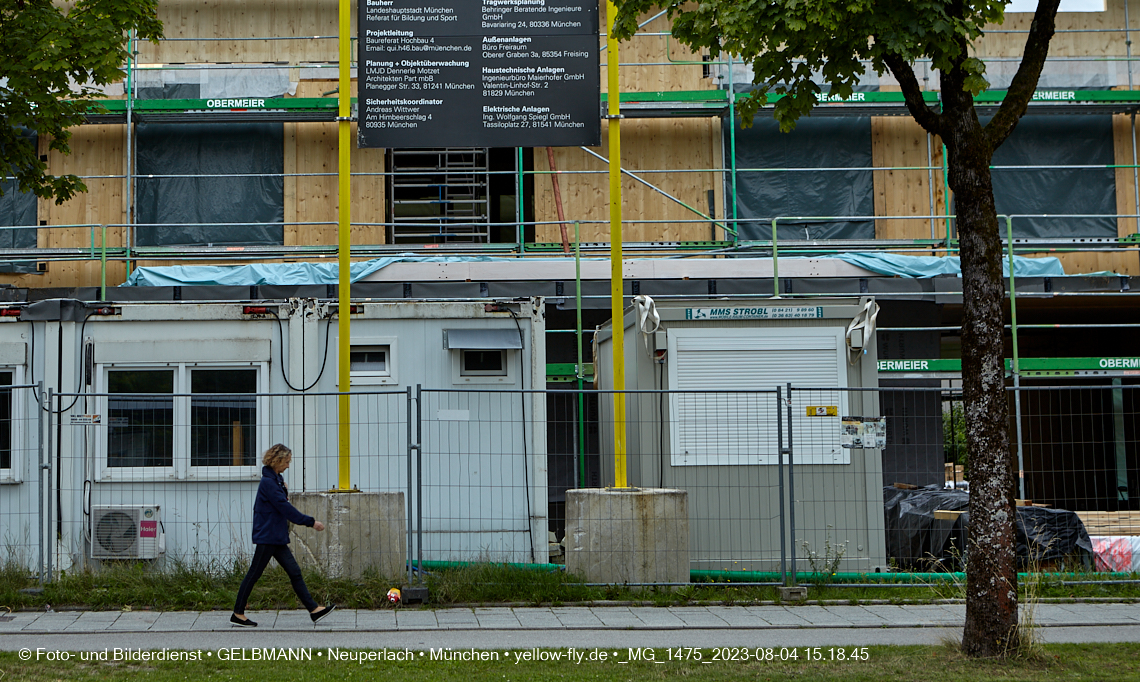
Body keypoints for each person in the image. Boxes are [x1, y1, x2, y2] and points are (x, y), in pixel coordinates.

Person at [231, 444, 336, 627]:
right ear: (277, 460)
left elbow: (280, 501)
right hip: (268, 536)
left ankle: (314, 610)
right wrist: (311, 522)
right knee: (253, 575)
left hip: (275, 536)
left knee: (294, 572)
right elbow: (285, 508)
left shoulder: (276, 480)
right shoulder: (269, 483)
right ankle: (238, 613)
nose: (288, 465)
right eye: (286, 462)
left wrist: (284, 489)